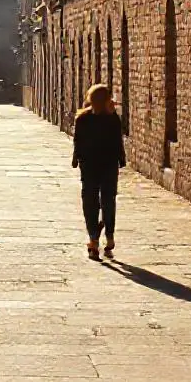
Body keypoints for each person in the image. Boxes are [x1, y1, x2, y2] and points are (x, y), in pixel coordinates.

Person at [72, 83, 127, 261]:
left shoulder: (82, 118)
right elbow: (118, 141)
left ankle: (93, 239)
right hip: (108, 165)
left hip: (89, 166)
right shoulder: (112, 118)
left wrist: (76, 159)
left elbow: (77, 142)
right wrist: (121, 159)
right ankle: (109, 236)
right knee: (108, 201)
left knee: (90, 202)